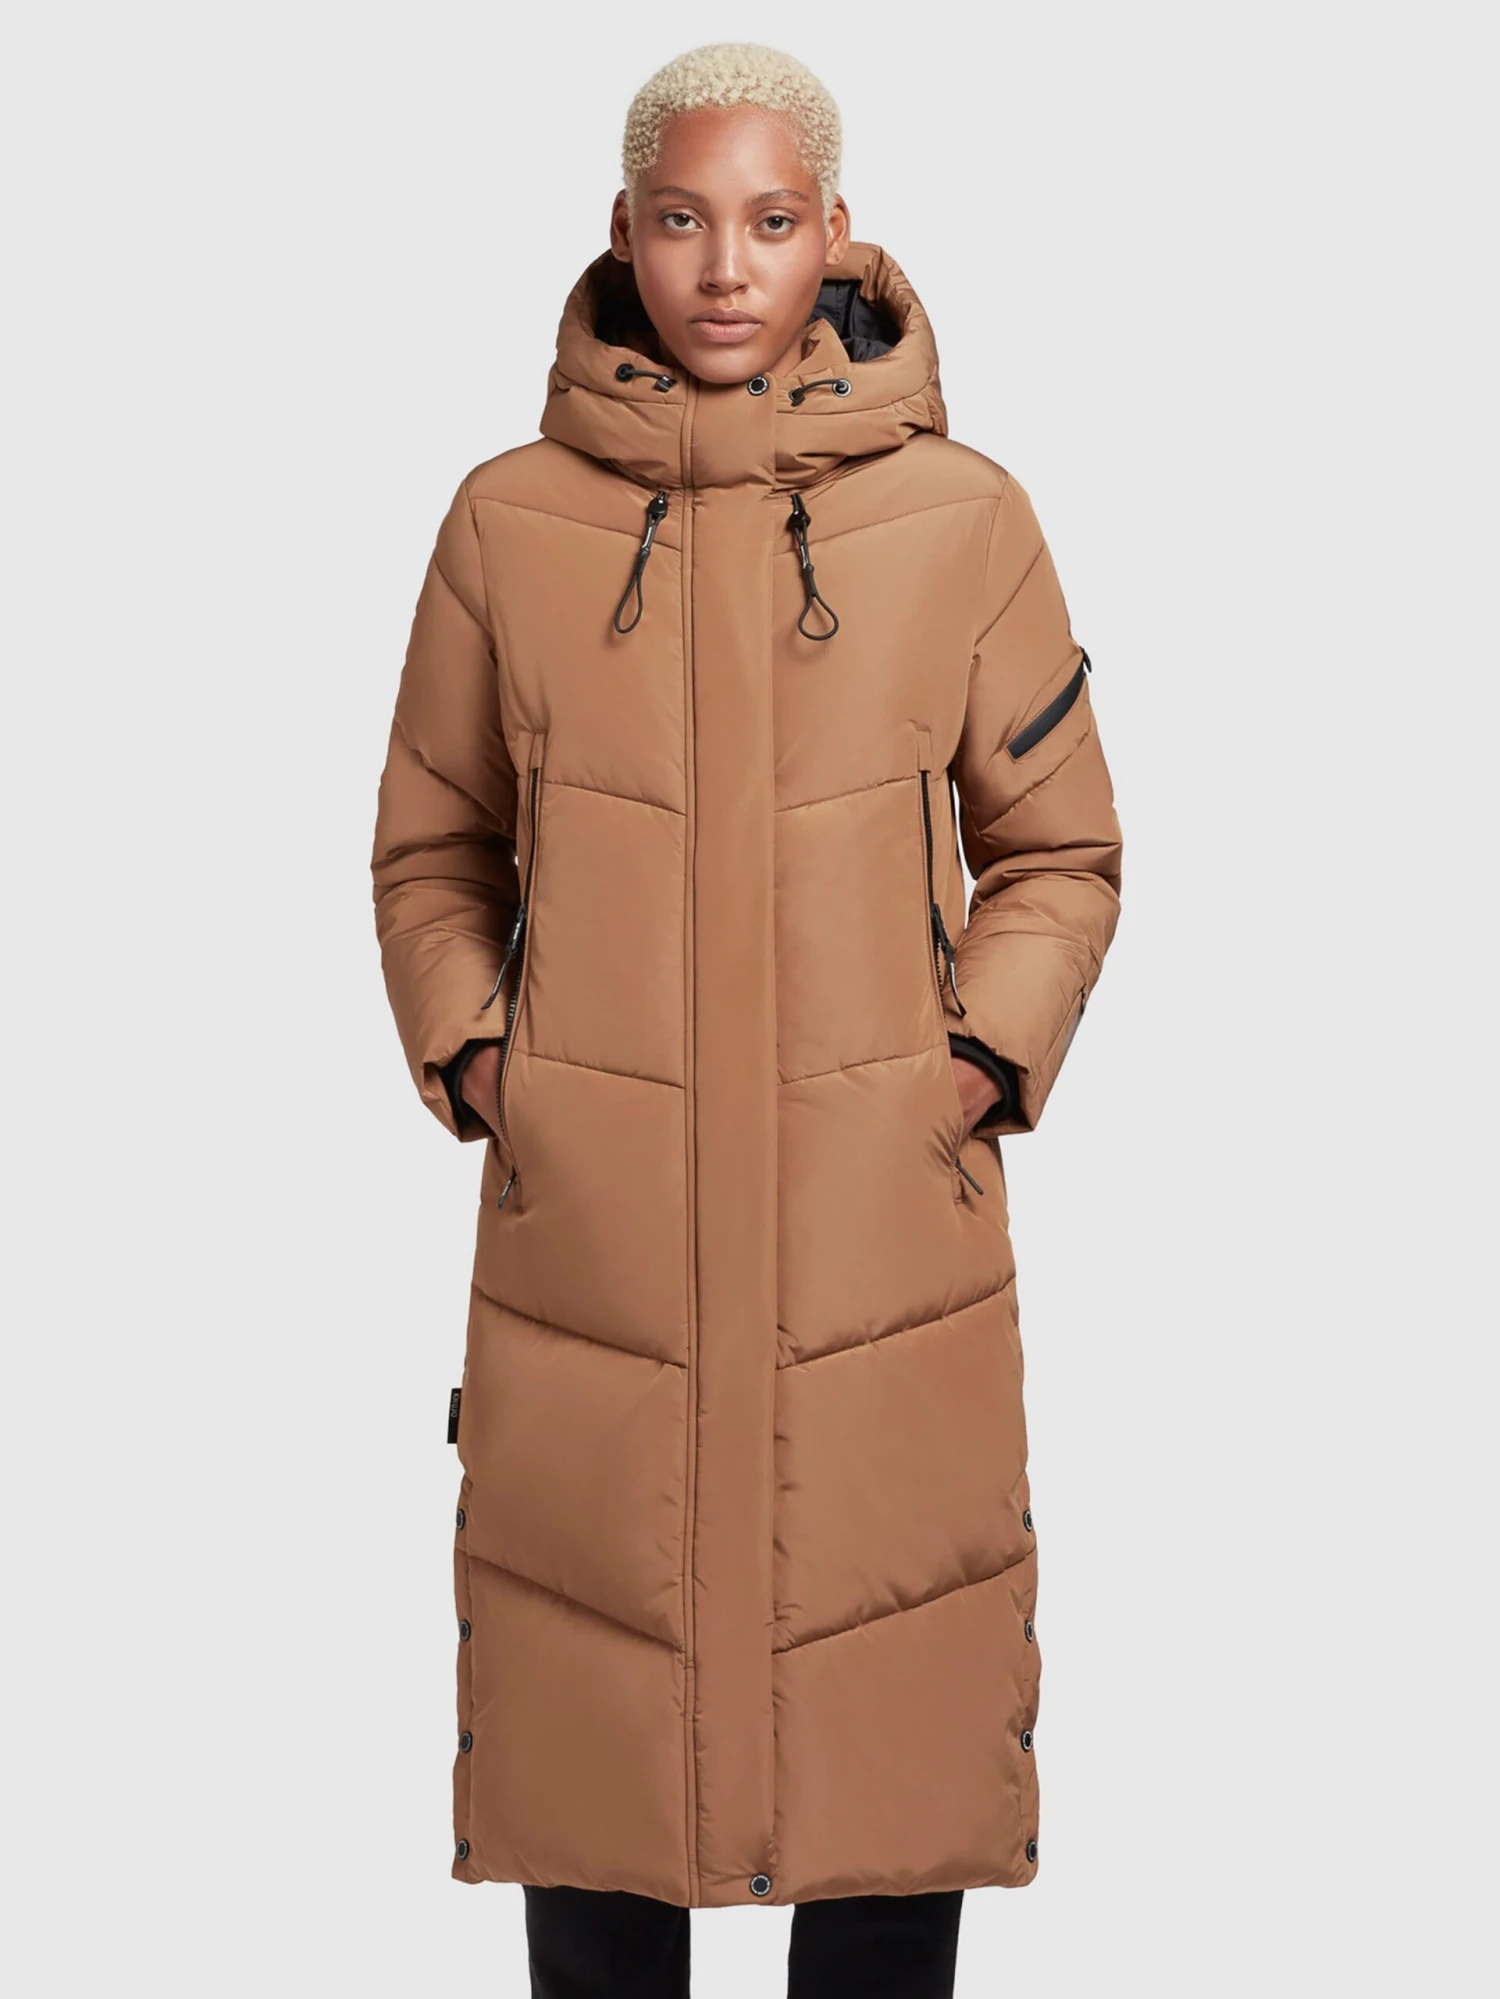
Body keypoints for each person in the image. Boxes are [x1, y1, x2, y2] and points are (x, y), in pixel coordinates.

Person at [370, 40, 1123, 1999]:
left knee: (888, 1768)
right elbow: (433, 848)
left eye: (773, 220)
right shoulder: (506, 523)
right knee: (596, 1786)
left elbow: (1061, 848)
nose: (727, 266)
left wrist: (970, 1063)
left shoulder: (965, 519)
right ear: (623, 234)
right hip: (595, 1252)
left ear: (837, 233)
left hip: (883, 1252)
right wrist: (491, 1063)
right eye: (685, 219)